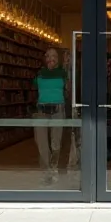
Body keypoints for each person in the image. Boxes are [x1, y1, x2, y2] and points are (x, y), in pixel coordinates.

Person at [34, 48, 67, 185]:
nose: (51, 58)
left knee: (56, 143)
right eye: (48, 55)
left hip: (58, 110)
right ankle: (46, 172)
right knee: (42, 143)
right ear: (45, 58)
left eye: (54, 55)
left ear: (58, 59)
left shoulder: (63, 73)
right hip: (42, 110)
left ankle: (54, 168)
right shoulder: (40, 73)